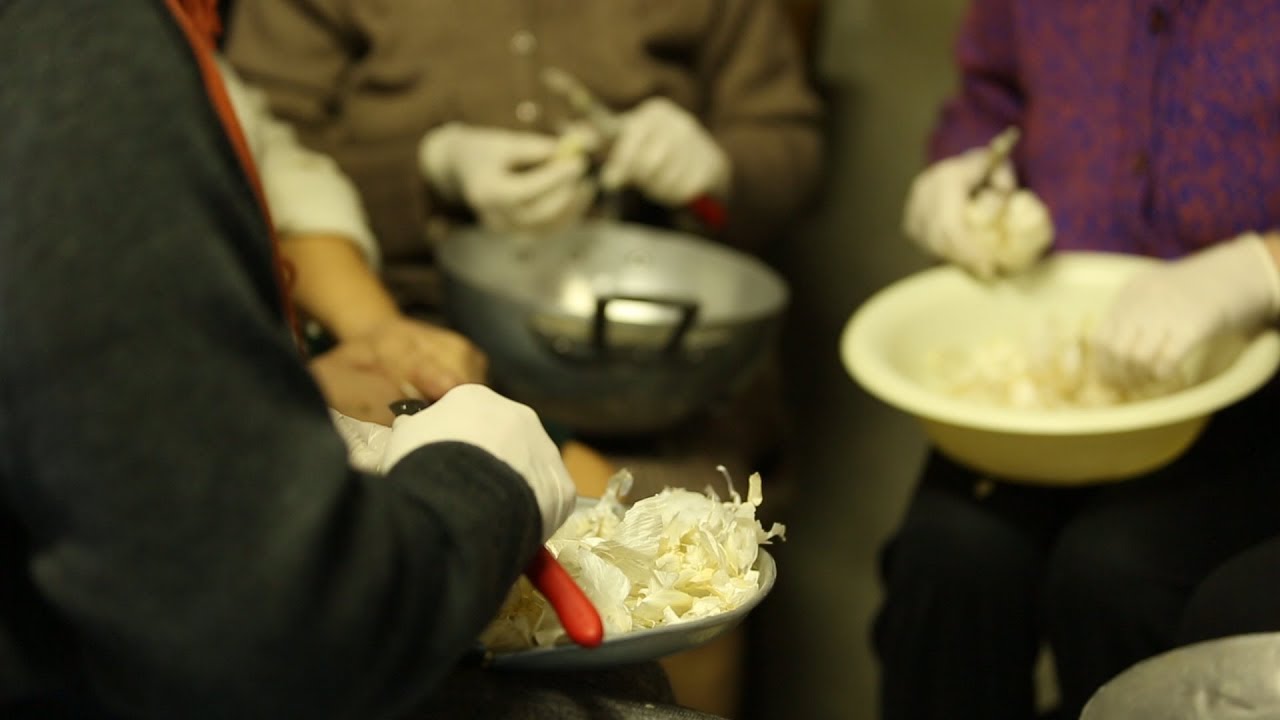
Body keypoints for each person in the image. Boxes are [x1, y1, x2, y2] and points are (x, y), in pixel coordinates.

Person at [0, 2, 666, 717]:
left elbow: (248, 148)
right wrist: (484, 482)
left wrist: (370, 332)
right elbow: (274, 633)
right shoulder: (79, 43)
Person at [879, 3, 1280, 719]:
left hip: (1253, 379)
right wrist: (966, 170)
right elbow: (990, 94)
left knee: (1114, 577)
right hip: (1058, 360)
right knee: (948, 559)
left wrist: (1259, 269)